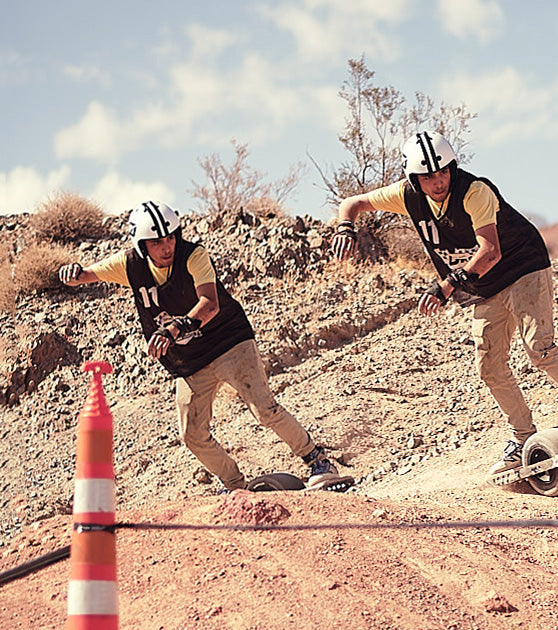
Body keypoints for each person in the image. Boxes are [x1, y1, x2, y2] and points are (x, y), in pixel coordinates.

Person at [333, 130, 558, 478]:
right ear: (413, 178)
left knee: (539, 348)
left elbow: (490, 251)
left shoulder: (474, 191)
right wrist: (345, 227)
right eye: (427, 176)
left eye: (444, 172)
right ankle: (522, 440)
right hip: (485, 285)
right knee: (489, 367)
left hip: (522, 267)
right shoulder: (406, 196)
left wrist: (446, 286)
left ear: (453, 167)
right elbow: (353, 204)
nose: (438, 182)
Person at [58, 200, 346, 494]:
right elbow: (85, 275)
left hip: (229, 341)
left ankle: (319, 463)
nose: (167, 246)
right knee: (192, 434)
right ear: (142, 245)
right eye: (157, 242)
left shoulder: (194, 255)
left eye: (171, 237)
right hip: (191, 359)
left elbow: (209, 304)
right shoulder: (129, 266)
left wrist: (173, 329)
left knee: (264, 409)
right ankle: (235, 486)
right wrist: (73, 273)